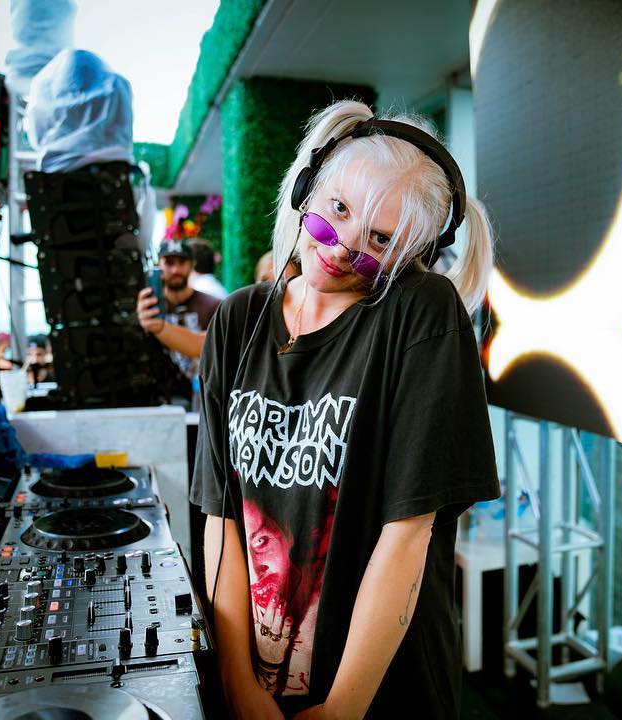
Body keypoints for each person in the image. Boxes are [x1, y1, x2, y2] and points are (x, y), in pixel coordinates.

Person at [191, 100, 498, 719]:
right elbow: (221, 516)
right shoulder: (238, 319)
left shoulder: (421, 312)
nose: (343, 246)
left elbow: (409, 535)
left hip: (382, 696)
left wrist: (341, 710)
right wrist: (237, 680)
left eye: (380, 239)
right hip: (252, 683)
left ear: (410, 256)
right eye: (337, 209)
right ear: (307, 189)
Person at [136, 238, 222, 403]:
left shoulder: (213, 305)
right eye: (169, 263)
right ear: (159, 265)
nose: (175, 269)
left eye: (182, 262)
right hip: (160, 397)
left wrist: (160, 327)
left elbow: (207, 346)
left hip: (203, 396)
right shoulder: (148, 307)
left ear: (192, 265)